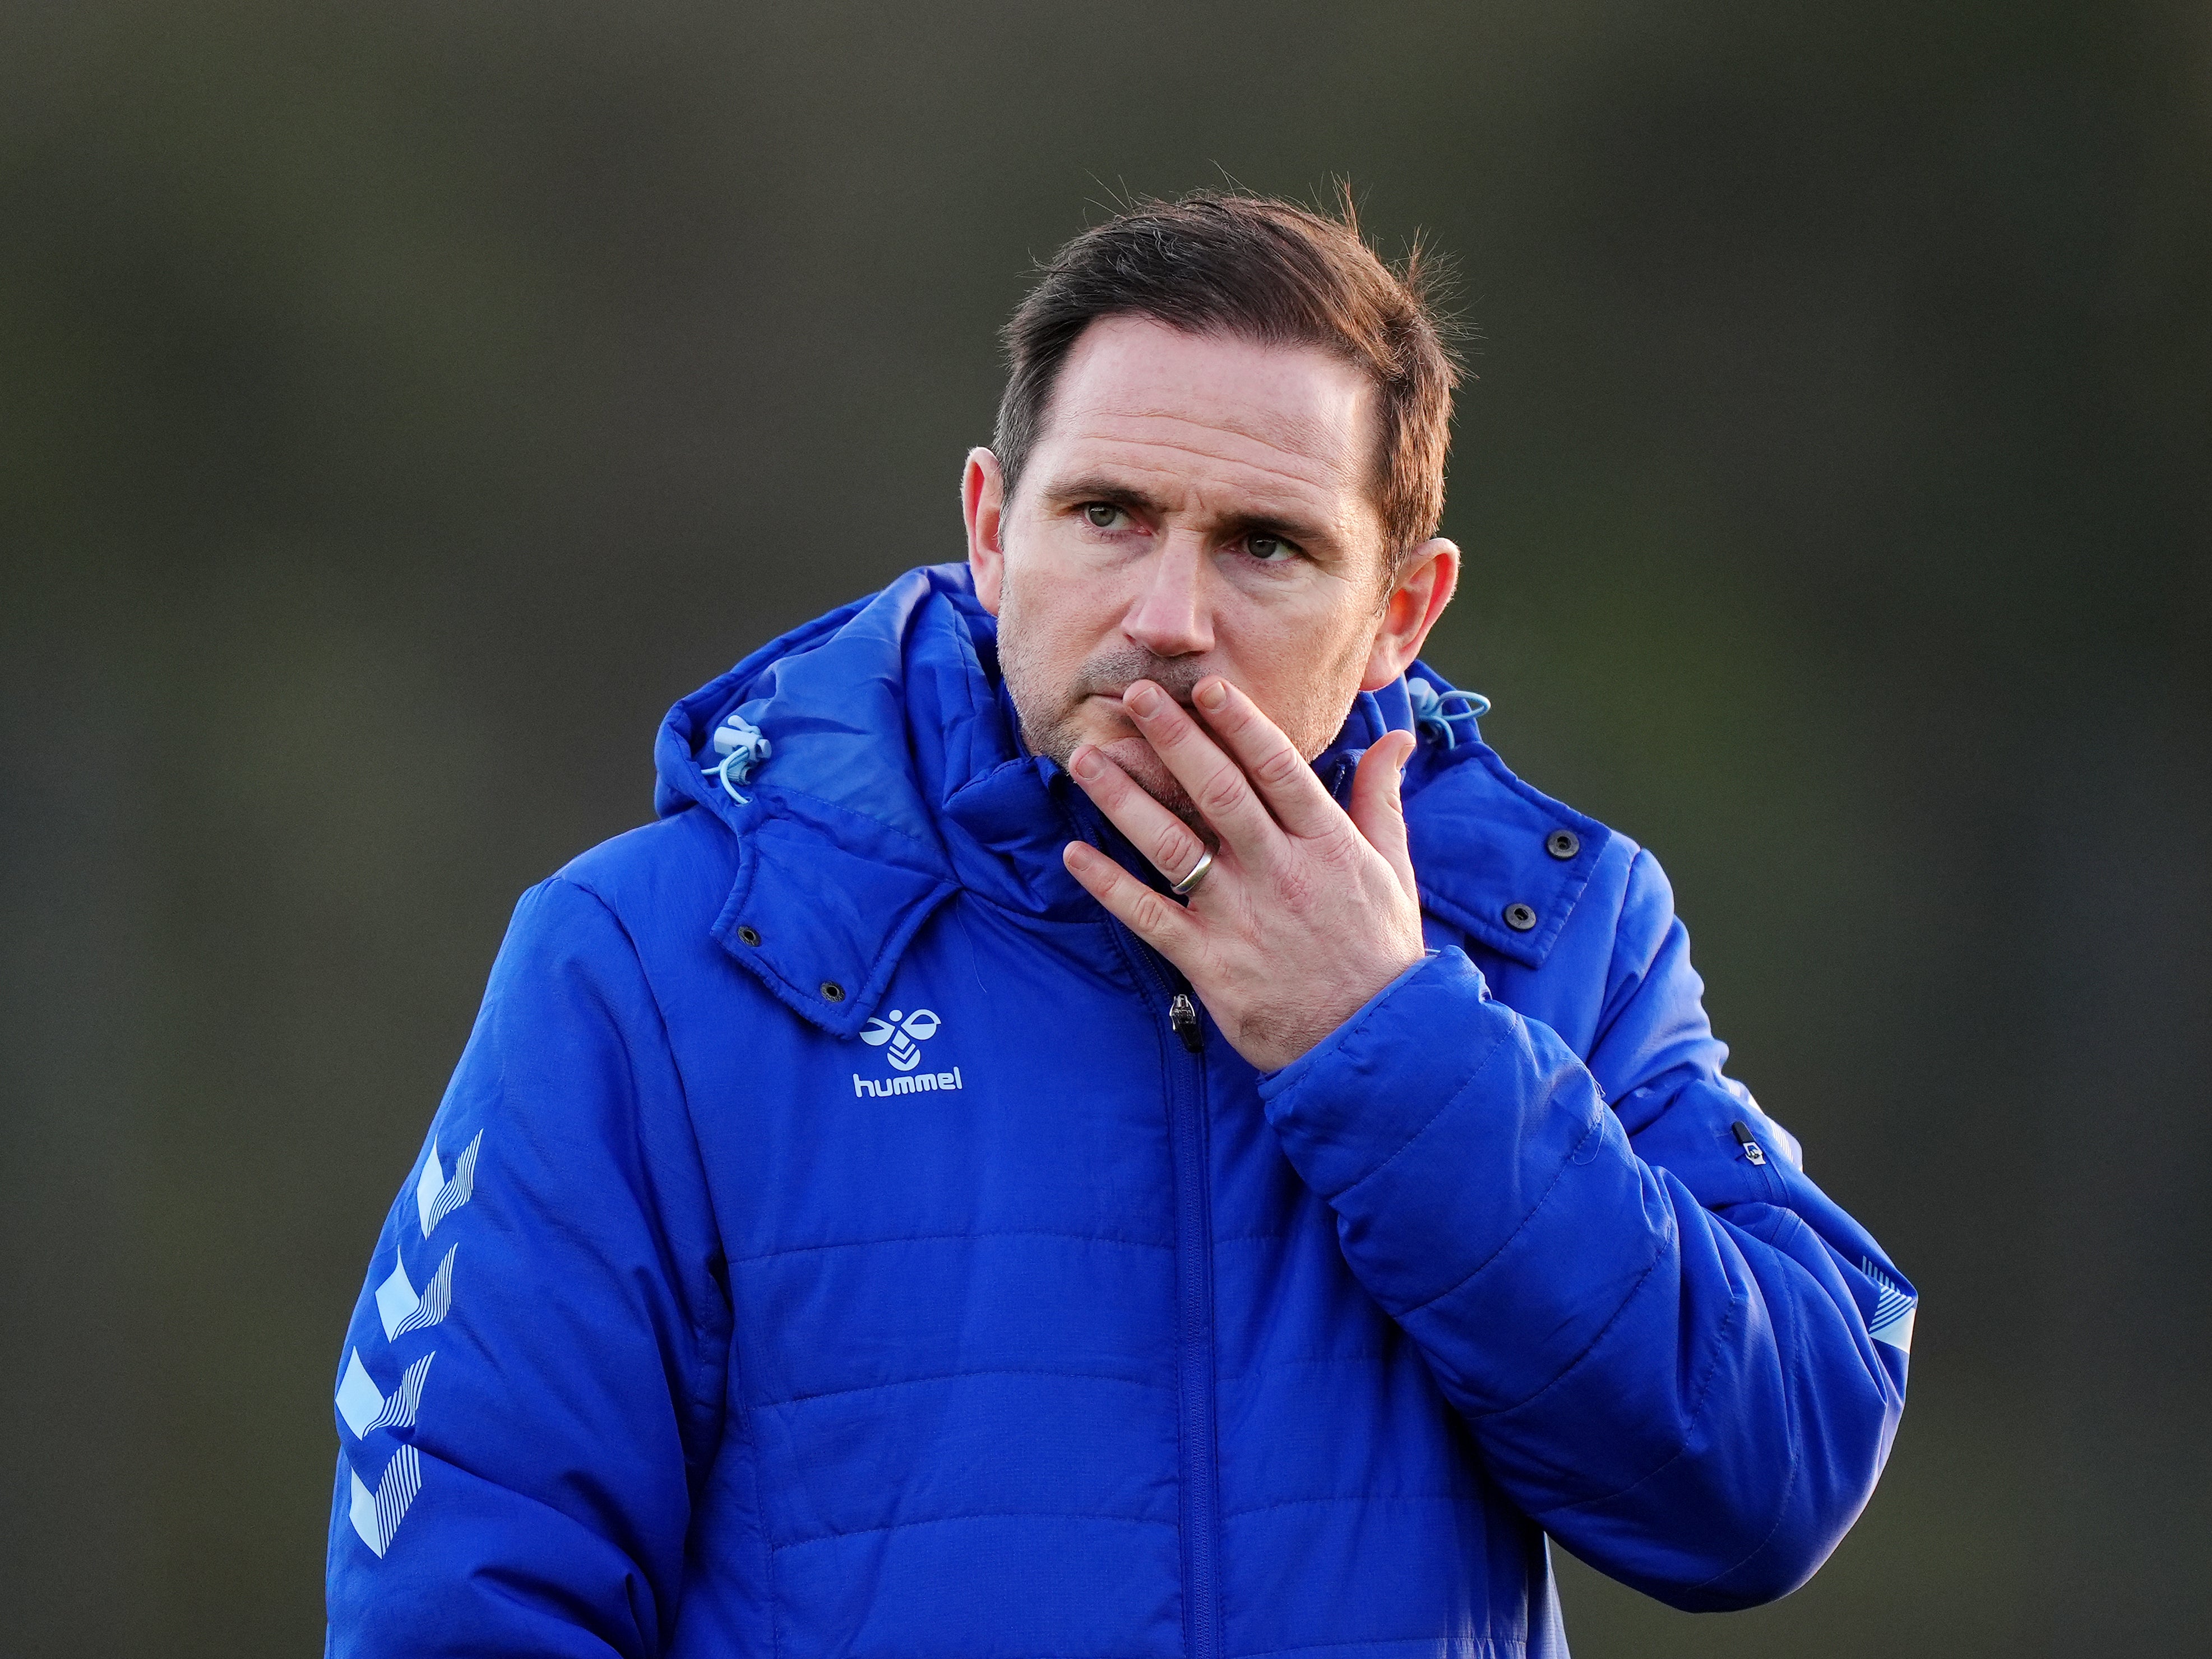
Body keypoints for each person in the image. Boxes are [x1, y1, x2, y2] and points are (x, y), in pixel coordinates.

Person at [325, 191, 1913, 1658]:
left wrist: (1389, 1039)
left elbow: (1770, 1479)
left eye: (1265, 545)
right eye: (1107, 515)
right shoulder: (648, 961)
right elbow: (461, 1599)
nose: (1167, 615)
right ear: (991, 526)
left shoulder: (1551, 932)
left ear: (1401, 612)